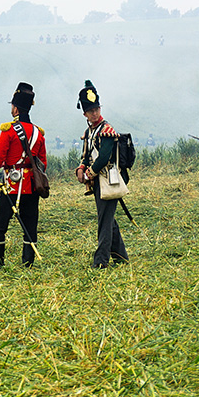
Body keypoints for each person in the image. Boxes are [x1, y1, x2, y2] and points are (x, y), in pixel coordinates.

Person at [0, 82, 47, 268]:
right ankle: (28, 263)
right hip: (32, 186)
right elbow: (42, 163)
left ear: (16, 108)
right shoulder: (39, 133)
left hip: (12, 186)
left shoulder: (9, 130)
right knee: (30, 225)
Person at [74, 80, 129, 269]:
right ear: (85, 114)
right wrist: (81, 168)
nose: (95, 113)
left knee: (104, 221)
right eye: (91, 111)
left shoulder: (106, 131)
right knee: (108, 219)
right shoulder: (89, 131)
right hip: (98, 180)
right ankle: (121, 257)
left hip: (108, 179)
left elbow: (104, 157)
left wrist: (88, 174)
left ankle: (101, 261)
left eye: (97, 109)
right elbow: (86, 155)